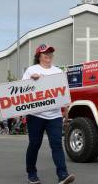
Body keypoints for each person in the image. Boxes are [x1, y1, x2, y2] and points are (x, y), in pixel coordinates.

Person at [22, 44, 75, 184]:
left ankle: (63, 175)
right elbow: (21, 92)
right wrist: (30, 81)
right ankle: (31, 174)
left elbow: (64, 93)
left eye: (50, 52)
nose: (48, 55)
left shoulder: (58, 71)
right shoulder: (31, 70)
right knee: (34, 144)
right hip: (35, 115)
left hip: (55, 116)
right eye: (45, 53)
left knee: (57, 144)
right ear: (38, 56)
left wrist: (66, 113)